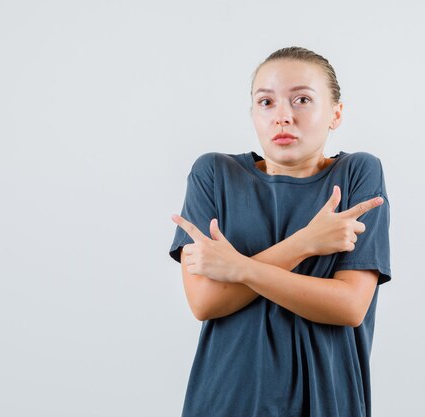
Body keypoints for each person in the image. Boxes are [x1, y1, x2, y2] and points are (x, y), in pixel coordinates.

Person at [168, 46, 392, 417]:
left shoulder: (357, 173)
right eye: (266, 102)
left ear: (336, 113)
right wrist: (306, 243)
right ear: (254, 113)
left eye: (302, 99)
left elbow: (349, 306)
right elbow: (205, 302)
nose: (283, 117)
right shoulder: (213, 174)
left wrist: (239, 268)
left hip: (326, 398)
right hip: (228, 396)